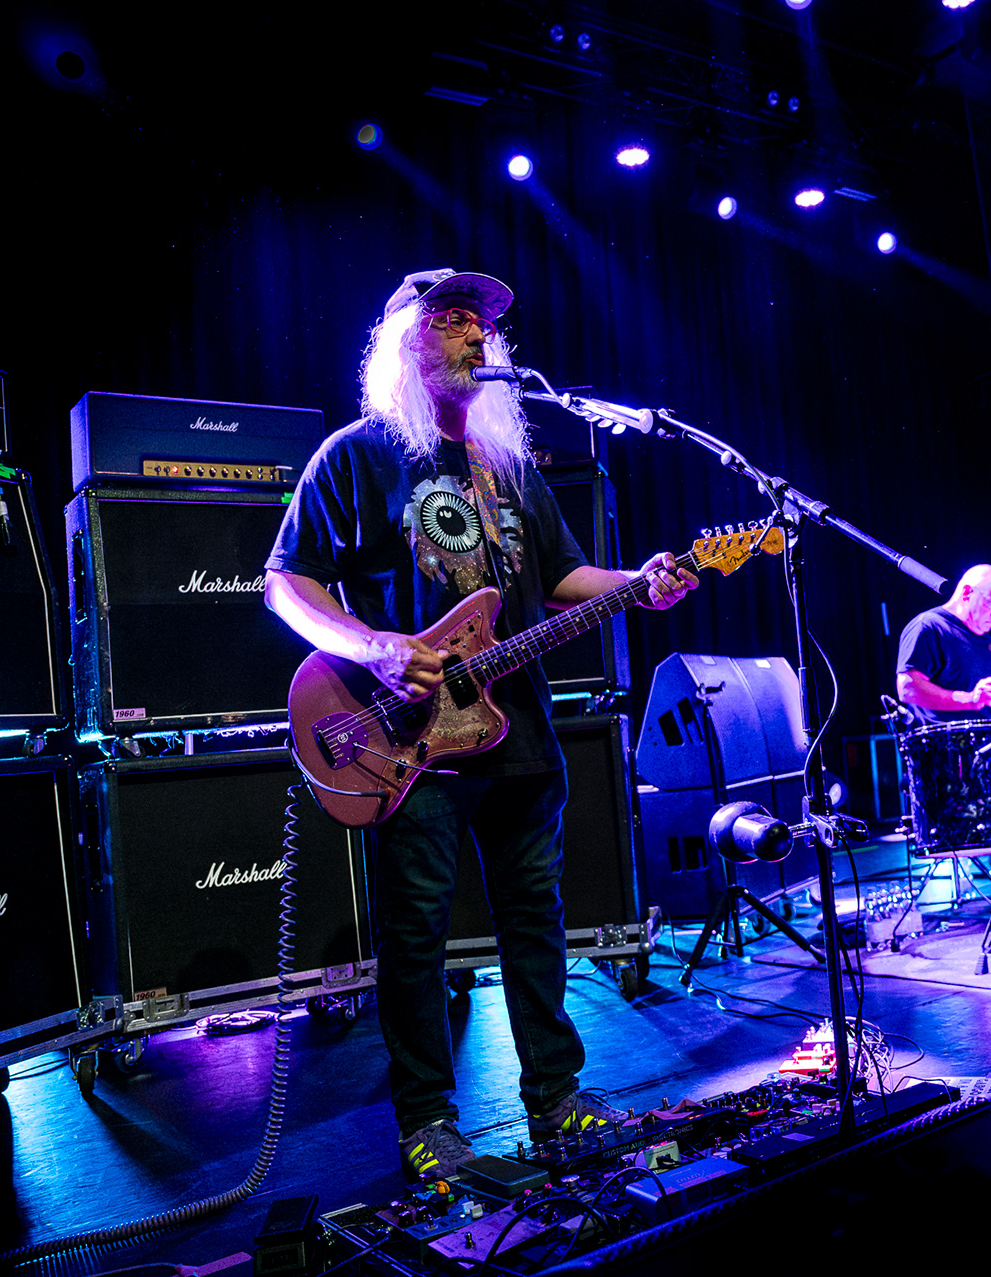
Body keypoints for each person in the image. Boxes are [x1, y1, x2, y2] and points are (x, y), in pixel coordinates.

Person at [263, 268, 698, 1180]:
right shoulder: (357, 455)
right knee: (416, 933)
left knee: (537, 919)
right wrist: (377, 647)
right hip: (408, 740)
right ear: (405, 344)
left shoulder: (510, 465)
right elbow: (286, 582)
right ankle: (427, 1120)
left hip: (520, 731)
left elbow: (562, 579)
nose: (474, 335)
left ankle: (557, 1100)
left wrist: (640, 581)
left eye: (480, 323)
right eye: (451, 320)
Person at [894, 564, 991, 724]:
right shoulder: (930, 627)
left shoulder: (986, 640)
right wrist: (968, 699)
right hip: (948, 739)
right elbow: (908, 688)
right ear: (967, 592)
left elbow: (986, 702)